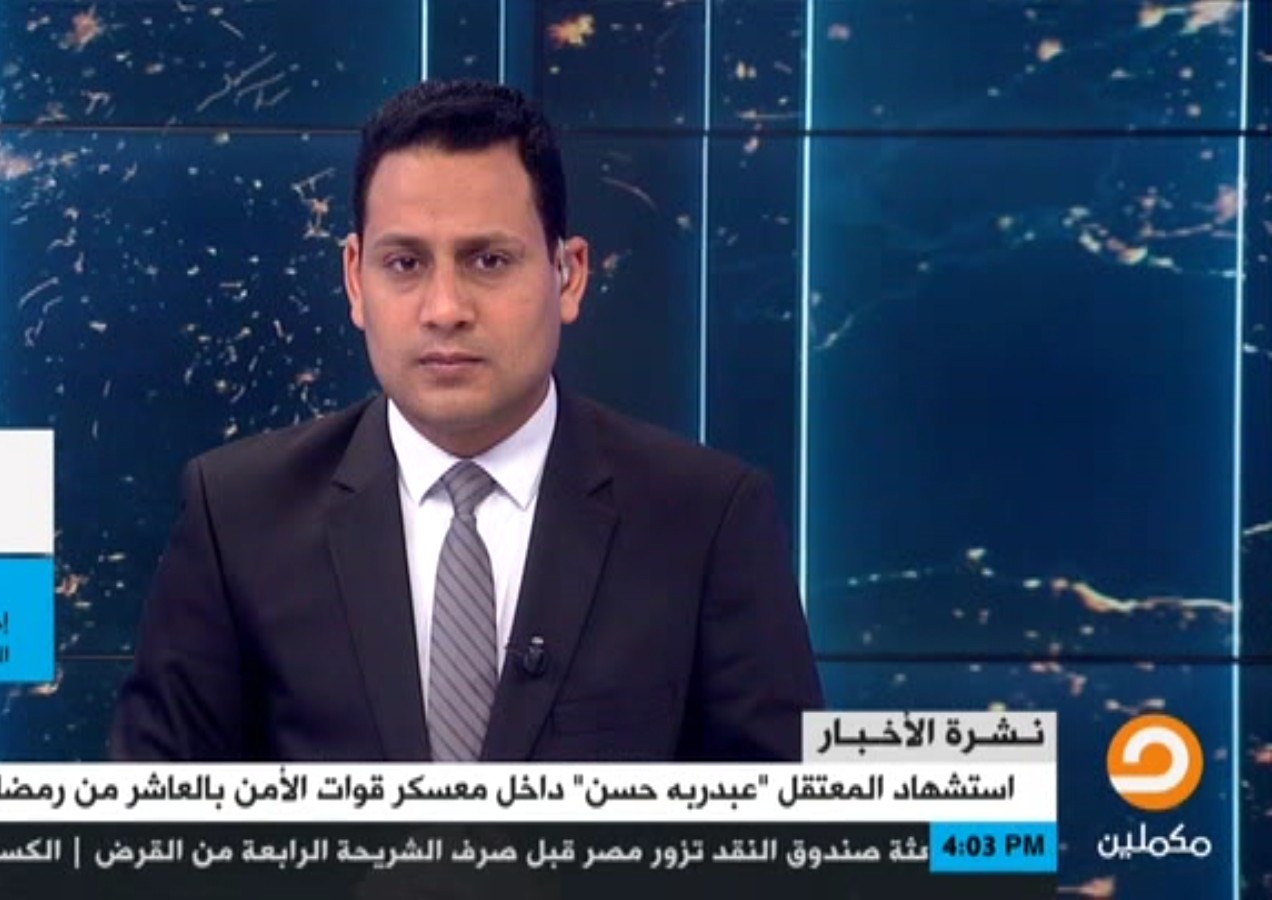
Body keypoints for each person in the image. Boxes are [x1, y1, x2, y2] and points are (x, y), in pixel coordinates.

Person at [109, 79, 823, 763]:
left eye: (488, 259)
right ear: (355, 278)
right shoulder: (238, 516)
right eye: (404, 263)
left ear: (569, 274)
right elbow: (154, 818)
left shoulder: (705, 518)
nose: (445, 308)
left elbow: (788, 822)